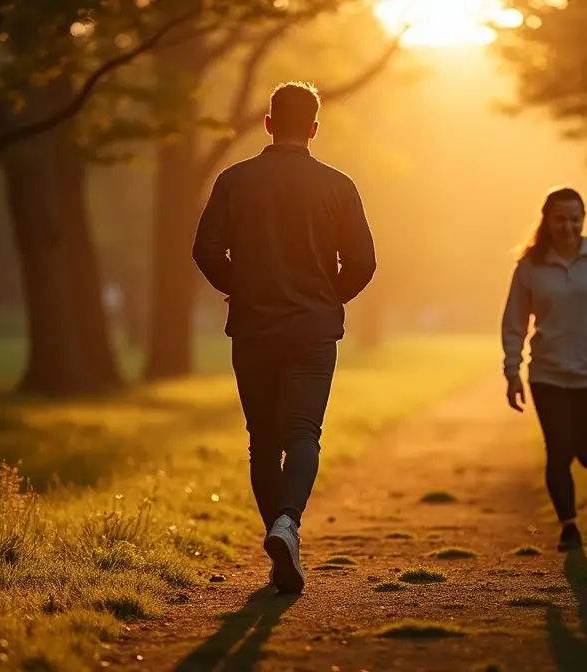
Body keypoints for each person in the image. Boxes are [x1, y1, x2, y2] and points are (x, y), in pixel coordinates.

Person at [192, 81, 376, 593]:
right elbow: (363, 263)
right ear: (314, 128)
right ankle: (287, 526)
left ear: (268, 123)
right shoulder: (339, 187)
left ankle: (279, 544)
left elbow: (205, 251)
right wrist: (329, 298)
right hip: (312, 332)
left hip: (253, 328)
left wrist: (243, 288)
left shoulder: (235, 181)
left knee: (262, 441)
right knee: (302, 433)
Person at [500, 187, 587, 551]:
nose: (568, 226)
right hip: (547, 374)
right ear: (547, 220)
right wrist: (512, 370)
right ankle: (569, 527)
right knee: (558, 450)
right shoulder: (530, 267)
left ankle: (574, 443)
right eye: (560, 218)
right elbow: (513, 322)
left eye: (574, 218)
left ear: (583, 219)